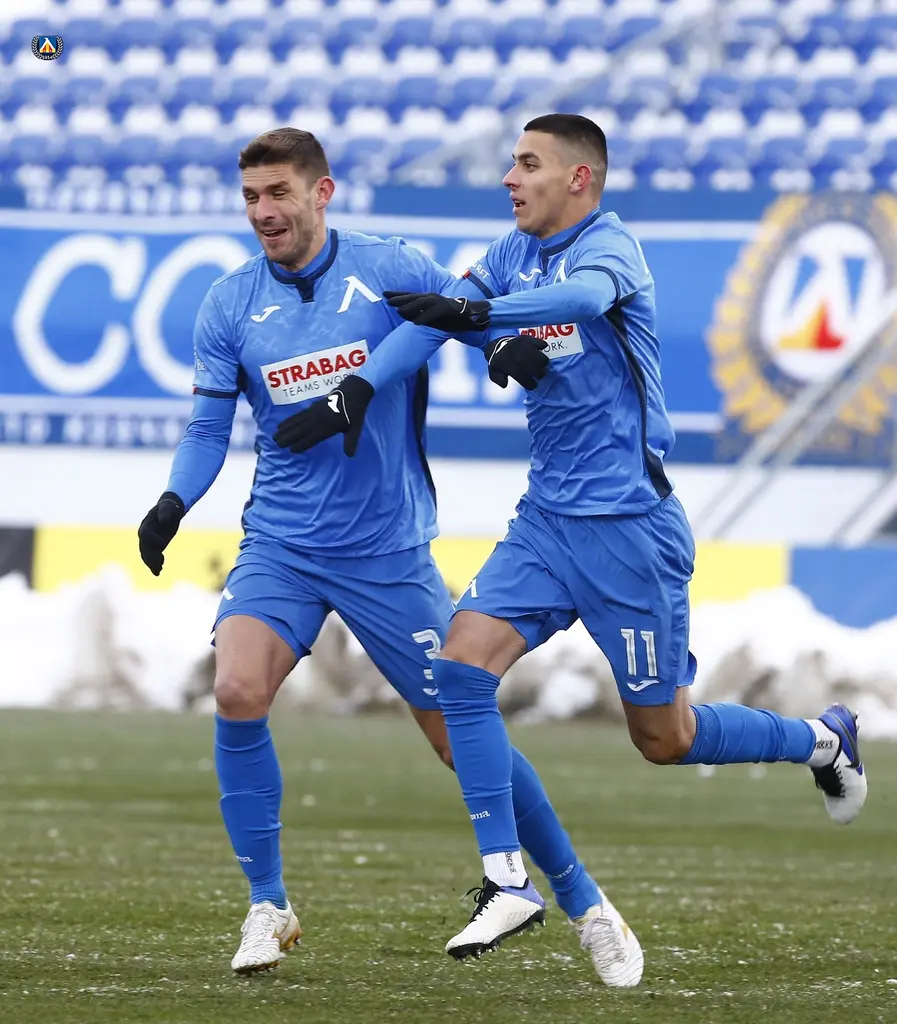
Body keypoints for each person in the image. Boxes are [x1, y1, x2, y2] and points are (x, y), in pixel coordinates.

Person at [281, 113, 867, 969]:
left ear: (577, 178)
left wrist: (482, 314)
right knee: (458, 671)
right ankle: (507, 881)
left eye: (527, 164)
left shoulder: (609, 248)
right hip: (546, 524)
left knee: (663, 738)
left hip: (630, 533)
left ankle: (820, 740)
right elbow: (439, 321)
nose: (509, 178)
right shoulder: (512, 252)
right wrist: (357, 389)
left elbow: (581, 302)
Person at [137, 127, 643, 985]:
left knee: (458, 738)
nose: (262, 212)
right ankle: (267, 904)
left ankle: (586, 903)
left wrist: (501, 346)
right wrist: (173, 501)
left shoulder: (388, 264)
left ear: (321, 192)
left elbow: (462, 315)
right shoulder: (229, 304)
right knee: (236, 690)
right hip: (283, 544)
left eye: (278, 193)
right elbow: (206, 428)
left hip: (387, 551)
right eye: (251, 196)